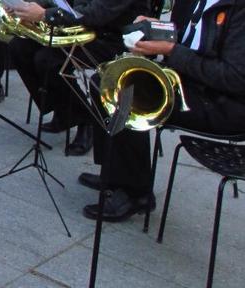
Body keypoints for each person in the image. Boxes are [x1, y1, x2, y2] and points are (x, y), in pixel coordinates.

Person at [79, 0, 245, 221]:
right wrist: (157, 28)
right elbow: (187, 37)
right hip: (191, 80)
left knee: (129, 99)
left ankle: (136, 194)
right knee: (105, 83)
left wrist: (171, 50)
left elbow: (235, 77)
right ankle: (115, 175)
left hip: (223, 104)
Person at [7, 0, 150, 156]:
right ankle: (64, 111)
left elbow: (98, 13)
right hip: (80, 27)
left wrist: (44, 14)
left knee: (49, 60)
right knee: (19, 47)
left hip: (114, 39)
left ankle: (85, 120)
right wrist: (27, 7)